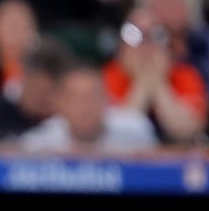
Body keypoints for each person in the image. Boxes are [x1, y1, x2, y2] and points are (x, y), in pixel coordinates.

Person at [100, 6, 209, 144]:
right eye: (134, 36)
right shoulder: (106, 77)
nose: (146, 46)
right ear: (121, 46)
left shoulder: (186, 76)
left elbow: (186, 132)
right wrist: (141, 86)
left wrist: (159, 84)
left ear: (168, 46)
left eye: (156, 36)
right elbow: (117, 138)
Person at [20, 62, 158, 151]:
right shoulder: (39, 145)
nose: (85, 106)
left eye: (92, 96)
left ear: (106, 100)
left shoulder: (136, 132)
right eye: (76, 98)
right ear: (60, 104)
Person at [0, 36, 72, 141]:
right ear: (24, 78)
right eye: (39, 91)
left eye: (52, 92)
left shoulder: (70, 123)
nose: (45, 99)